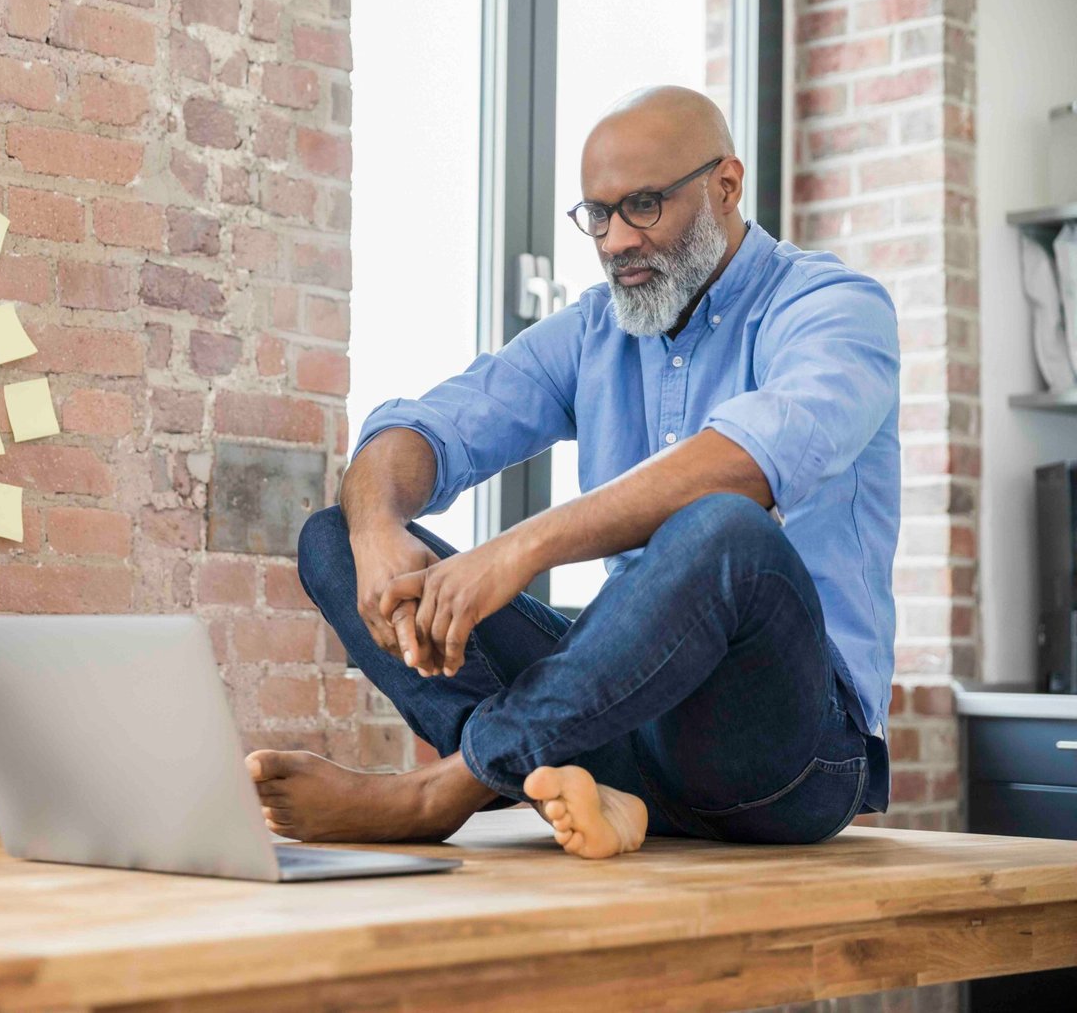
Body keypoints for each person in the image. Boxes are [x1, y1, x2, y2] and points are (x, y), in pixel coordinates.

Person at [244, 85, 899, 859]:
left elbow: (748, 462)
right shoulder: (597, 326)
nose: (617, 239)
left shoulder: (834, 308)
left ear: (726, 185)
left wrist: (521, 547)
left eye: (644, 206)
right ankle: (588, 789)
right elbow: (423, 426)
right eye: (598, 214)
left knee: (727, 530)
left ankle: (449, 785)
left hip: (793, 754)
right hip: (625, 725)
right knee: (335, 537)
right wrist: (379, 525)